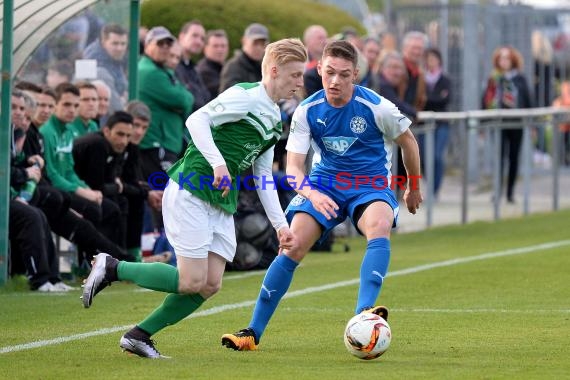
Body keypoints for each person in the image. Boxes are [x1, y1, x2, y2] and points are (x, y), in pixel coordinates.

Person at [81, 38, 308, 359]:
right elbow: (196, 120)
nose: (300, 83)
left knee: (210, 284)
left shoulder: (273, 117)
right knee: (191, 281)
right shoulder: (245, 96)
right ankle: (113, 267)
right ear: (274, 70)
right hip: (192, 189)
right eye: (295, 75)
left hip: (219, 201)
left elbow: (262, 176)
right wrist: (217, 163)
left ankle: (138, 335)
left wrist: (280, 225)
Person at [221, 40, 422, 351]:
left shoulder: (377, 106)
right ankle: (252, 332)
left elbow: (409, 142)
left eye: (343, 75)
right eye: (329, 73)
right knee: (293, 245)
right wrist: (313, 195)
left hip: (369, 185)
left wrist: (413, 186)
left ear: (355, 74)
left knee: (379, 225)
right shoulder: (307, 110)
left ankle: (364, 314)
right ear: (320, 70)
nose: (335, 81)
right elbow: (294, 170)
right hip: (324, 184)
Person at [482, 46, 532, 203]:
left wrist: (532, 123)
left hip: (516, 123)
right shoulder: (494, 78)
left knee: (513, 157)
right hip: (498, 123)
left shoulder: (520, 78)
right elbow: (485, 100)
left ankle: (510, 192)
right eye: (501, 58)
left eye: (507, 58)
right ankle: (497, 191)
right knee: (499, 157)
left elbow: (528, 100)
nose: (504, 61)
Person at [419, 48, 452, 198]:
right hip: (424, 123)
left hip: (442, 123)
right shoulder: (421, 79)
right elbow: (420, 99)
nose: (431, 61)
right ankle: (429, 182)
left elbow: (446, 99)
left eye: (433, 58)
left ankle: (435, 189)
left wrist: (428, 98)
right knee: (425, 156)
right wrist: (435, 98)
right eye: (428, 58)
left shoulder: (445, 79)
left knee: (437, 156)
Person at [83, 23, 129, 113]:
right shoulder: (98, 66)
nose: (119, 48)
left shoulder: (114, 58)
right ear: (104, 43)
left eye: (123, 44)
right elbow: (115, 106)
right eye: (115, 43)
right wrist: (122, 100)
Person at [219, 23, 269, 92]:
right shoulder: (233, 67)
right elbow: (230, 98)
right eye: (255, 43)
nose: (259, 48)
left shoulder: (263, 67)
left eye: (262, 44)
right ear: (244, 41)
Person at [196, 29, 229, 99]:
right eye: (215, 46)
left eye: (223, 46)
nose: (220, 50)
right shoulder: (203, 71)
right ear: (205, 48)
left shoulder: (227, 67)